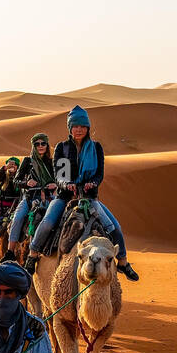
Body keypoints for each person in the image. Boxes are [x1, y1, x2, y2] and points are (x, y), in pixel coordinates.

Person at [23, 106, 138, 281]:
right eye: (75, 126)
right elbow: (59, 175)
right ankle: (32, 255)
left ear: (87, 128)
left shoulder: (96, 148)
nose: (79, 130)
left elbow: (99, 173)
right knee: (47, 223)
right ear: (70, 128)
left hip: (89, 197)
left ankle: (122, 261)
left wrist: (93, 183)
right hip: (65, 196)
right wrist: (66, 185)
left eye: (82, 126)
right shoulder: (62, 148)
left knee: (114, 227)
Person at [9, 133, 58, 255]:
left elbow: (59, 180)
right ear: (33, 146)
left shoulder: (51, 163)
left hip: (48, 198)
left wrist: (55, 185)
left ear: (47, 145)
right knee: (18, 217)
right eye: (37, 144)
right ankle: (10, 251)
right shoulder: (27, 161)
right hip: (30, 197)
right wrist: (26, 183)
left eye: (43, 143)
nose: (40, 146)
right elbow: (16, 181)